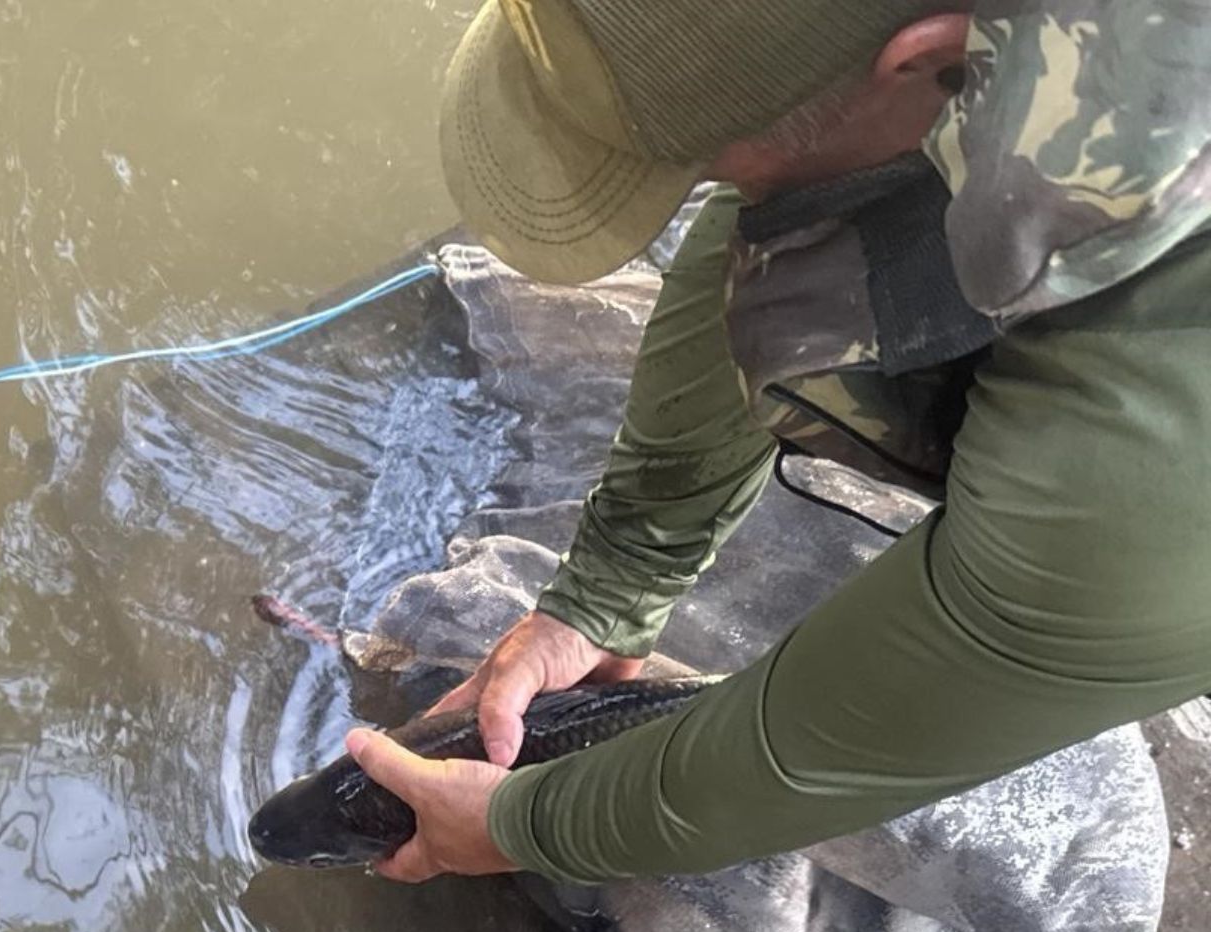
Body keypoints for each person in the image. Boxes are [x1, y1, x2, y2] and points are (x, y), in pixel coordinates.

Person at [345, 0, 1211, 885]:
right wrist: (604, 593)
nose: (696, 192)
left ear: (932, 60)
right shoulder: (986, 66)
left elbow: (836, 739)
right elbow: (787, 226)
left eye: (697, 160)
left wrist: (526, 828)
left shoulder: (1148, 435)